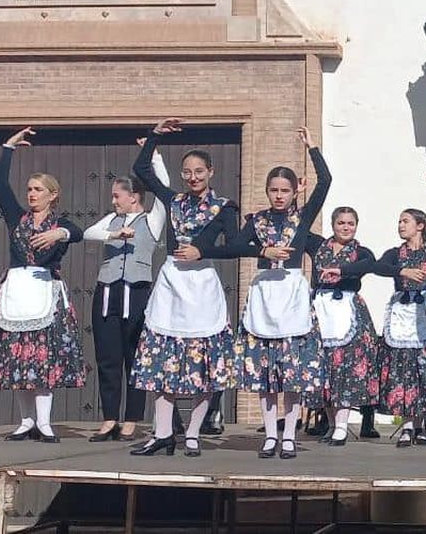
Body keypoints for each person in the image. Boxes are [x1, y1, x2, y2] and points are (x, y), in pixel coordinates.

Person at [220, 126, 332, 460]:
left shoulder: (302, 217)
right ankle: (270, 435)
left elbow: (325, 182)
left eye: (285, 190)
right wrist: (263, 251)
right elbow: (234, 246)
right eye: (274, 190)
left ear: (295, 191)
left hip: (292, 294)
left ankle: (289, 435)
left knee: (292, 374)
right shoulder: (257, 221)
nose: (279, 195)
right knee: (266, 374)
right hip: (265, 294)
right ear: (267, 191)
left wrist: (312, 148)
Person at [129, 119, 238, 457]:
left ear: (211, 172)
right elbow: (141, 169)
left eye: (199, 171)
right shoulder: (173, 199)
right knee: (161, 359)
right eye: (187, 172)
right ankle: (163, 432)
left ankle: (192, 432)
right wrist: (155, 135)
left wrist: (202, 251)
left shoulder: (224, 207)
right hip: (172, 282)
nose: (193, 177)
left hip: (202, 284)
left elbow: (235, 247)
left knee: (204, 362)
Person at [0, 127, 87, 443]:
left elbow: (77, 233)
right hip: (18, 291)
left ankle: (45, 423)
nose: (32, 194)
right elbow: (0, 184)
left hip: (45, 293)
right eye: (30, 189)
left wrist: (59, 234)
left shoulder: (60, 223)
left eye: (38, 189)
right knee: (17, 358)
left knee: (42, 357)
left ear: (53, 194)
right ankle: (25, 421)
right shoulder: (17, 219)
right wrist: (7, 148)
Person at [331, 175, 426, 447]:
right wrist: (401, 271)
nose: (400, 225)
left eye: (405, 221)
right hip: (402, 314)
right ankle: (406, 427)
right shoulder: (395, 254)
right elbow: (376, 266)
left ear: (420, 226)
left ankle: (422, 425)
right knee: (404, 370)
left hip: (425, 314)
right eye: (400, 221)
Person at [82, 141, 170, 442]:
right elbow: (88, 233)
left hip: (137, 292)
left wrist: (154, 156)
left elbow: (164, 189)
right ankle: (110, 418)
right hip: (108, 292)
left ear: (133, 197)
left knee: (135, 357)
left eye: (117, 196)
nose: (113, 201)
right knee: (108, 357)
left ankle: (131, 419)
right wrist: (114, 233)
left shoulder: (152, 220)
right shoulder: (112, 220)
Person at [303, 206, 382, 446]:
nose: (346, 228)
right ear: (332, 224)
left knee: (344, 368)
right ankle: (330, 423)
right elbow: (300, 223)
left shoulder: (362, 252)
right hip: (321, 308)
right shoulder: (318, 245)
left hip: (347, 310)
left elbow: (369, 265)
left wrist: (341, 270)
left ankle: (341, 426)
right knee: (324, 368)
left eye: (350, 223)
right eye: (341, 223)